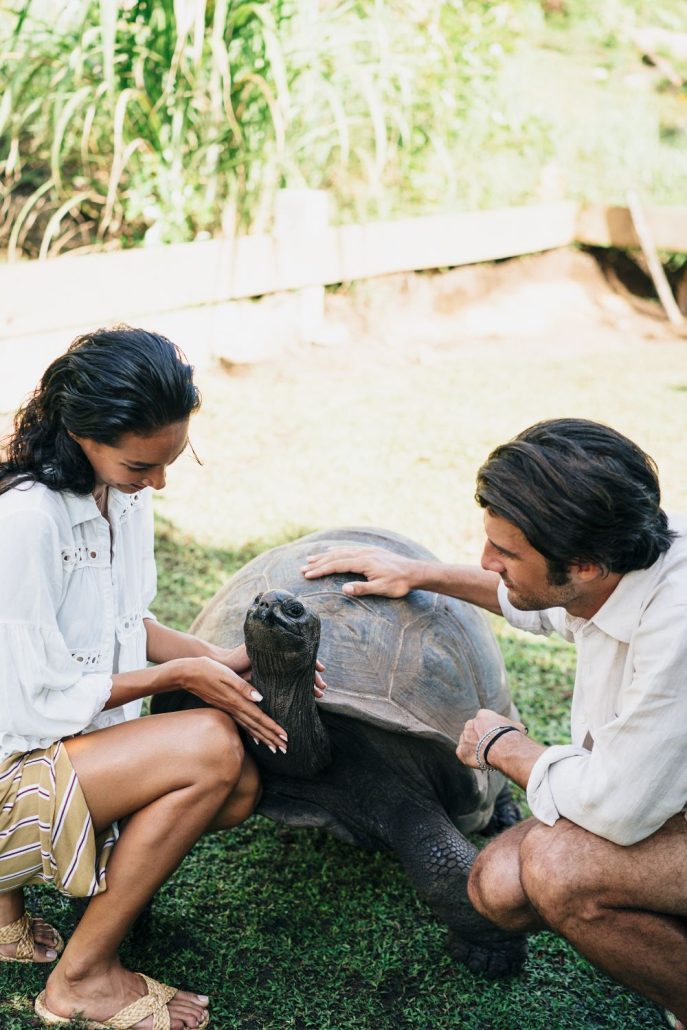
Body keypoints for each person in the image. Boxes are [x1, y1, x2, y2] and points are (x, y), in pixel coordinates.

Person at [302, 417, 687, 1029]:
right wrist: (418, 572)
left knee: (556, 872)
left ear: (584, 564)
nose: (486, 561)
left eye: (505, 552)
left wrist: (507, 749)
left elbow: (617, 808)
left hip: (638, 801)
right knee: (500, 884)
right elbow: (535, 606)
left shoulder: (677, 628)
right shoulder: (625, 562)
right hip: (659, 799)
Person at [0, 326, 324, 1030]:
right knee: (209, 746)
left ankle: (9, 910)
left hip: (41, 756)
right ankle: (78, 980)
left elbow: (124, 623)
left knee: (236, 788)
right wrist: (177, 677)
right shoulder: (25, 520)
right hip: (14, 755)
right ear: (80, 431)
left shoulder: (123, 498)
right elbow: (33, 699)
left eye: (171, 460)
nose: (159, 481)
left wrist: (221, 661)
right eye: (141, 464)